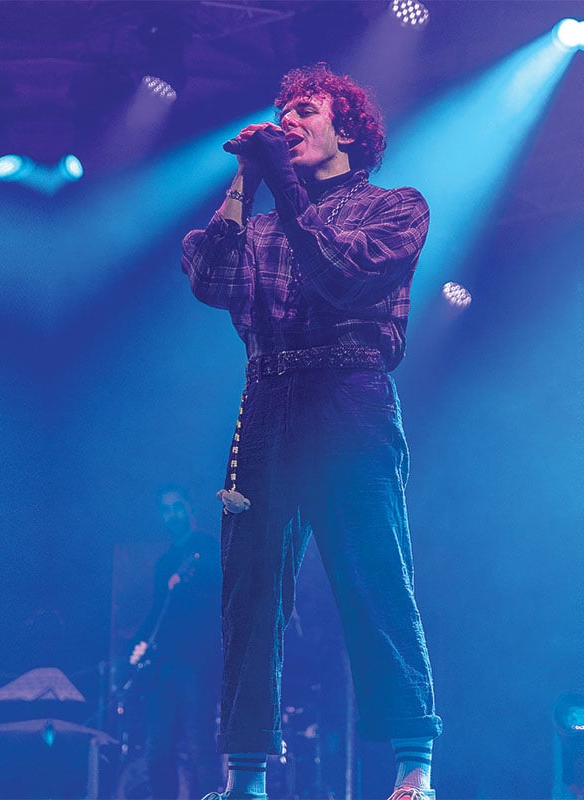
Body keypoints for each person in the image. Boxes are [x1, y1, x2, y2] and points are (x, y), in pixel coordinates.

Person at [180, 64, 441, 800]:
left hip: (348, 394)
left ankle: (414, 766)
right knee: (250, 589)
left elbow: (340, 272)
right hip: (268, 399)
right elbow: (208, 279)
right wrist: (246, 179)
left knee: (373, 574)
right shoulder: (261, 226)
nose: (287, 120)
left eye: (305, 109)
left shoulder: (394, 208)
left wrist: (285, 189)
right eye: (282, 111)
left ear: (347, 129)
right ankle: (246, 779)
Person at [127, 485, 222, 799]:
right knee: (157, 749)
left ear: (189, 507)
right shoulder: (165, 561)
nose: (172, 515)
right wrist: (136, 645)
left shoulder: (207, 547)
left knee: (199, 746)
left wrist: (189, 582)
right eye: (166, 510)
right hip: (163, 667)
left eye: (177, 507)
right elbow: (157, 611)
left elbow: (220, 592)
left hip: (198, 663)